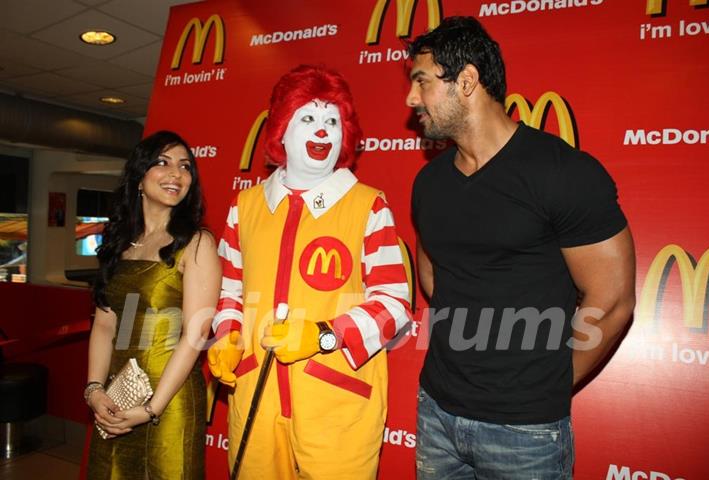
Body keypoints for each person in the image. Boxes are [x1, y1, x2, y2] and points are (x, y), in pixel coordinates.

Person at [406, 17, 636, 480]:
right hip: (436, 415)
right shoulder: (429, 183)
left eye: (421, 82)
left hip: (524, 433)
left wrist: (543, 385)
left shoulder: (563, 173)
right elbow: (432, 275)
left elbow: (611, 303)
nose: (411, 99)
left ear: (466, 81)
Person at [207, 65, 412, 479]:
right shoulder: (243, 207)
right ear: (281, 130)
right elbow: (230, 290)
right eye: (308, 118)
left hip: (336, 406)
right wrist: (227, 334)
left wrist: (322, 334)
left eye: (332, 120)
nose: (322, 131)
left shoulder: (367, 205)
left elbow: (394, 305)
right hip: (255, 399)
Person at [85, 130, 220, 479]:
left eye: (185, 166)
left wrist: (151, 408)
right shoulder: (119, 244)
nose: (176, 173)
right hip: (117, 398)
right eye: (162, 162)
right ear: (139, 178)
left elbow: (197, 332)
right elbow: (104, 324)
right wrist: (95, 390)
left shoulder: (196, 243)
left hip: (169, 401)